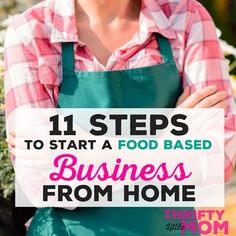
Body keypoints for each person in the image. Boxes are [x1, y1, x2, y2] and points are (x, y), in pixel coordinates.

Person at [4, 0, 236, 235]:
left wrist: (88, 154)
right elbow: (44, 183)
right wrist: (168, 142)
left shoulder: (186, 17)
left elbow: (219, 158)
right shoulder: (30, 32)